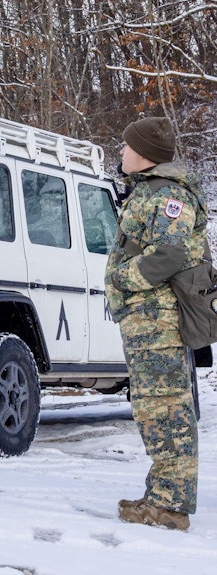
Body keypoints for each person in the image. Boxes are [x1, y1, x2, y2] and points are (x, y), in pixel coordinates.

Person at [105, 116, 203, 530]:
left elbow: (170, 254)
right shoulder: (147, 192)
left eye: (126, 146)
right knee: (153, 408)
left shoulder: (167, 196)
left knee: (165, 408)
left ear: (144, 154)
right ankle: (161, 495)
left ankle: (169, 508)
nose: (122, 152)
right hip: (146, 321)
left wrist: (120, 279)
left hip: (157, 321)